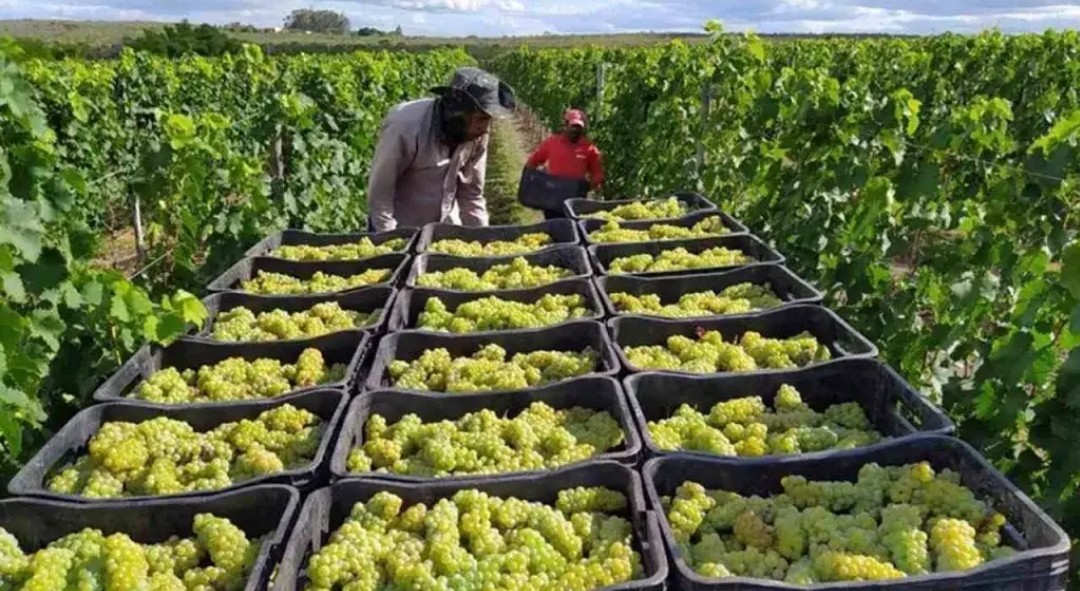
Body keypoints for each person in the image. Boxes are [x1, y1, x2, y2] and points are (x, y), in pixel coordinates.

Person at [366, 67, 516, 231]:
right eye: (481, 119)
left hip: (444, 229)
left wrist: (483, 241)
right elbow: (380, 195)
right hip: (400, 227)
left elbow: (471, 194)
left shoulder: (476, 134)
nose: (486, 128)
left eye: (489, 120)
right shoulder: (405, 126)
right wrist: (392, 243)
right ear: (457, 112)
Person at [525, 108, 604, 219]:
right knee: (553, 226)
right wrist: (530, 181)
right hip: (552, 196)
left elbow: (597, 173)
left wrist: (591, 185)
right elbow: (533, 161)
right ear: (565, 126)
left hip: (575, 199)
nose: (575, 130)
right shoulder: (552, 143)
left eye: (579, 127)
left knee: (572, 227)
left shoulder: (589, 149)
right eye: (573, 126)